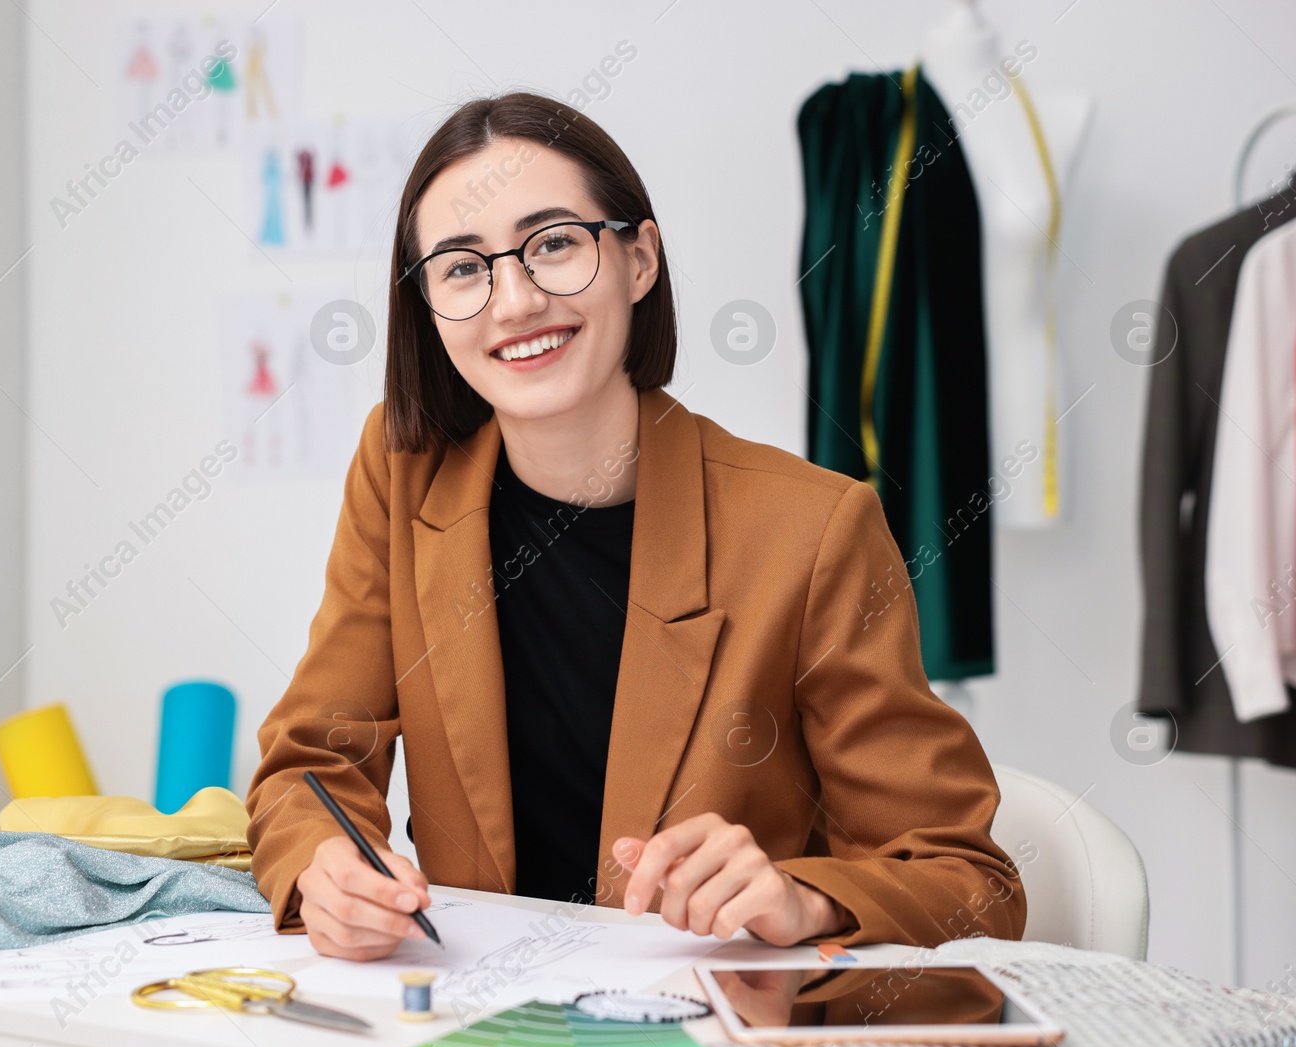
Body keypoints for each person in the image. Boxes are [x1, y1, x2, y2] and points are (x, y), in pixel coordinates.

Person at [245, 91, 1025, 961]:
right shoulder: (401, 470)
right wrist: (327, 865)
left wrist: (800, 896)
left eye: (553, 244)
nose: (514, 301)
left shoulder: (815, 527)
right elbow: (314, 755)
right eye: (463, 267)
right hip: (474, 1015)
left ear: (639, 259)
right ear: (428, 304)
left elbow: (967, 880)